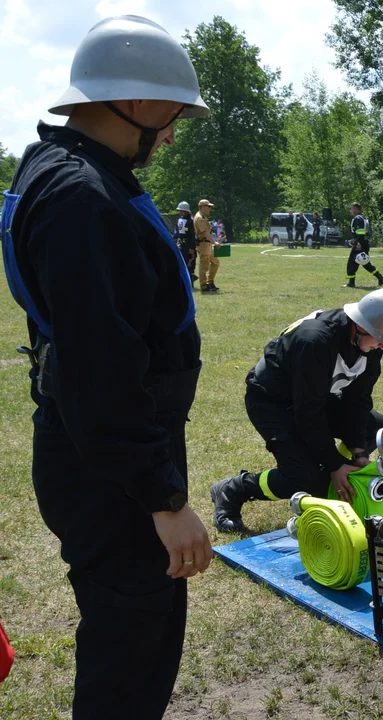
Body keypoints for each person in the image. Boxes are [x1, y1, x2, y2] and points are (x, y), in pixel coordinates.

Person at [1, 15, 211, 718]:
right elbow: (100, 370)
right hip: (110, 468)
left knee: (136, 639)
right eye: (175, 112)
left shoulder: (70, 171)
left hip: (102, 451)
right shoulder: (82, 198)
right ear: (138, 100)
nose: (175, 130)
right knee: (131, 654)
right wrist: (164, 500)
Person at [211, 289, 383, 532]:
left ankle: (337, 478)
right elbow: (307, 412)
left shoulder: (371, 345)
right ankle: (234, 489)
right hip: (272, 402)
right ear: (359, 325)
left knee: (375, 427)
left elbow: (358, 400)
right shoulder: (315, 340)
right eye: (379, 338)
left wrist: (358, 453)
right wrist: (333, 464)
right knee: (304, 476)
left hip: (316, 399)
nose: (381, 346)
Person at [344, 202, 383, 288]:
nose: (351, 210)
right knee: (365, 262)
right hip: (364, 242)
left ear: (356, 208)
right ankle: (380, 278)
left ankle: (351, 283)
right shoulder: (363, 217)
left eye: (352, 208)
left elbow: (360, 232)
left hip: (360, 243)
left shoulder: (358, 218)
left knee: (352, 263)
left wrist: (357, 242)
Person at [194, 198, 220, 292]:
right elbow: (205, 233)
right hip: (203, 243)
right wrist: (215, 242)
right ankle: (204, 285)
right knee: (204, 265)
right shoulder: (200, 218)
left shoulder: (203, 217)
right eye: (208, 207)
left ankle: (210, 282)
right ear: (202, 207)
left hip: (207, 243)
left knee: (215, 262)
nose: (210, 209)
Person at [174, 200, 196, 282]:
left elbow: (192, 235)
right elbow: (178, 232)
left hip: (188, 245)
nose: (181, 212)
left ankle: (190, 280)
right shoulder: (180, 220)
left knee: (189, 263)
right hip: (181, 244)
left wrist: (192, 247)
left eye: (182, 210)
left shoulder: (191, 221)